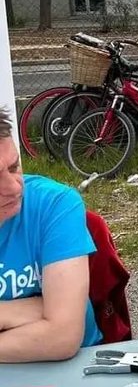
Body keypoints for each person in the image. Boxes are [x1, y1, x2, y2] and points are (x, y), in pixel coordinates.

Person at [0, 106, 101, 361]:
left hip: (72, 370)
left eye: (14, 168)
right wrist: (42, 310)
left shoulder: (54, 203)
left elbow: (62, 336)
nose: (13, 188)